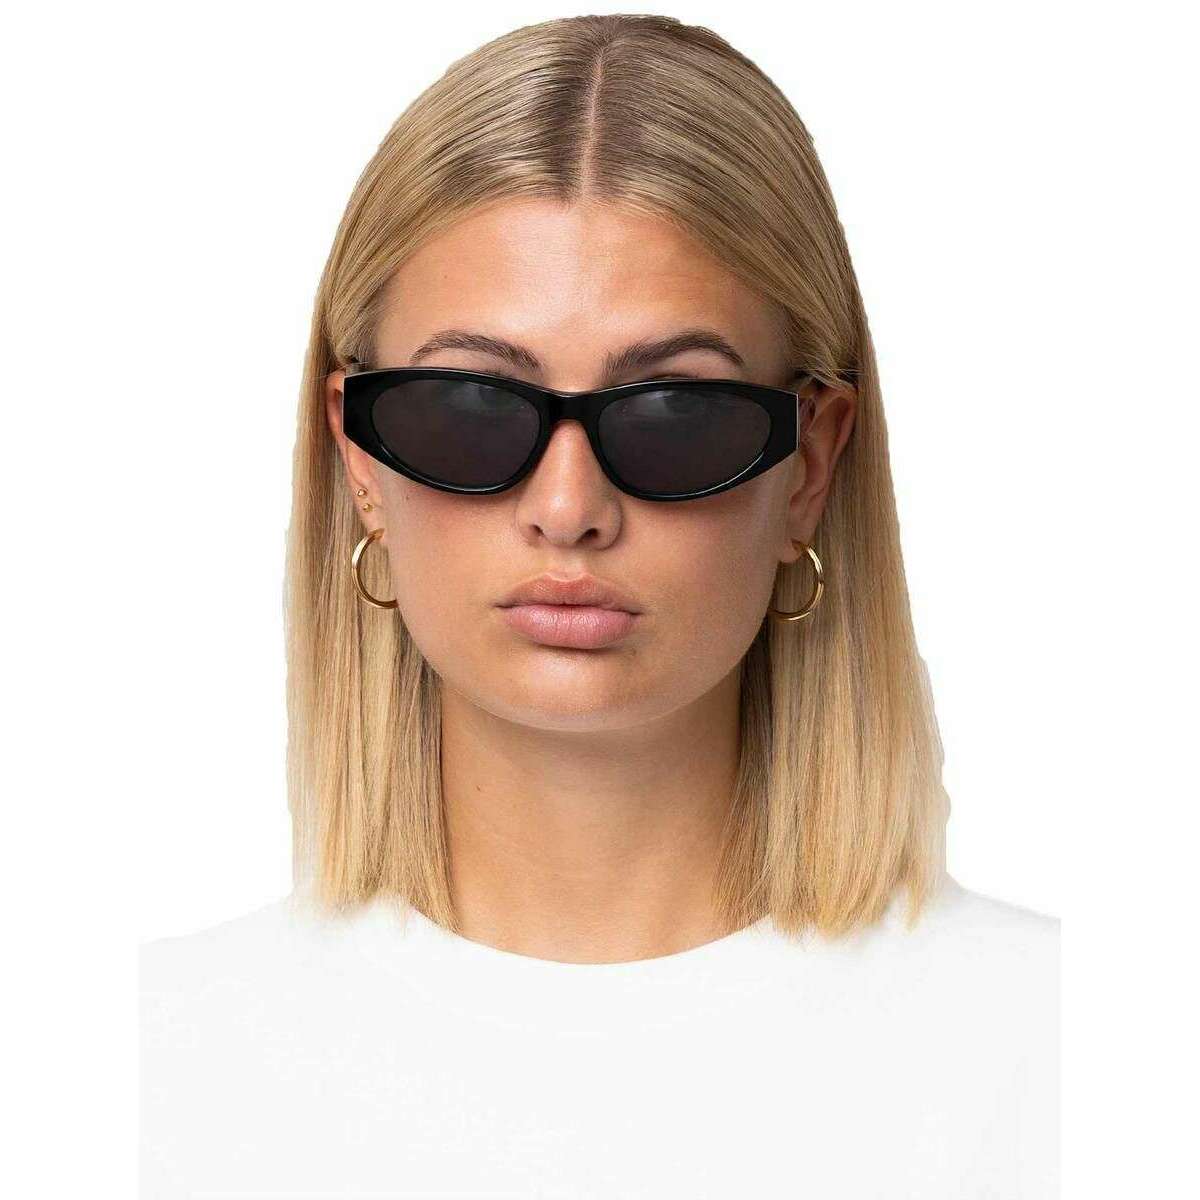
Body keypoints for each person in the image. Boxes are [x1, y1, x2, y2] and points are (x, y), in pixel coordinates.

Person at [140, 13, 1058, 1198]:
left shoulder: (1067, 1062)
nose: (567, 509)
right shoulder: (146, 1076)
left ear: (810, 464)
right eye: (470, 408)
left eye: (676, 413)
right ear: (360, 460)